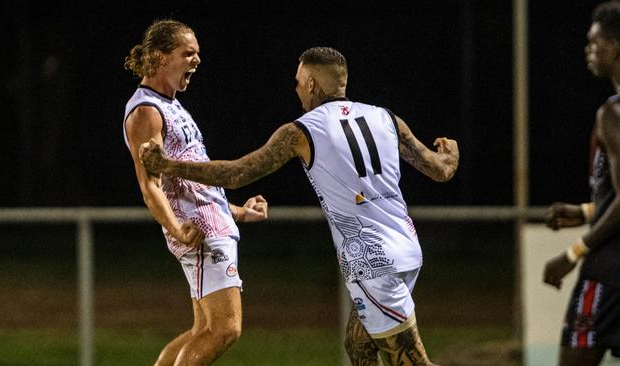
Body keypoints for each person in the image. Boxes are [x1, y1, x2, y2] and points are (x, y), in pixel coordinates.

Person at [140, 46, 459, 365]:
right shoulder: (386, 118)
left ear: (311, 84)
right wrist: (451, 153)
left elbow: (236, 173)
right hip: (406, 247)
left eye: (297, 82)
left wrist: (171, 166)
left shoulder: (301, 131)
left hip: (372, 261)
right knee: (359, 347)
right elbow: (441, 169)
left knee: (412, 362)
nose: (296, 90)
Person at [123, 19, 269, 366]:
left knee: (202, 329)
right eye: (188, 53)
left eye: (198, 54)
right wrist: (177, 228)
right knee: (225, 329)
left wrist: (237, 211)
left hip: (211, 226)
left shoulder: (172, 106)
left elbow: (193, 182)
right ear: (159, 58)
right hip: (199, 234)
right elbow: (150, 187)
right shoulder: (147, 111)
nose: (197, 60)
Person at [543, 2, 620, 365]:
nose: (588, 49)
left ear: (617, 45)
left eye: (595, 41)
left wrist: (573, 253)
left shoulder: (612, 114)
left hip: (608, 269)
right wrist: (586, 210)